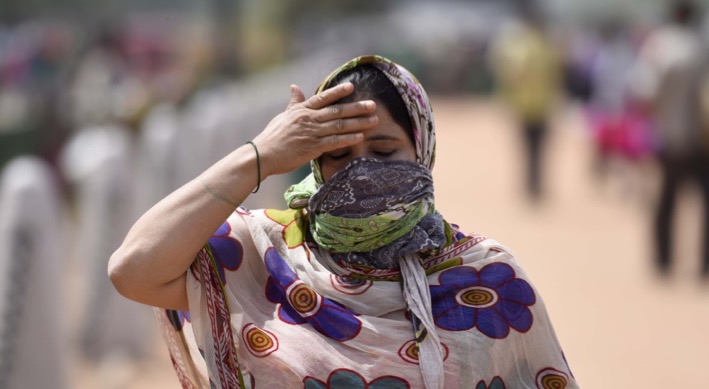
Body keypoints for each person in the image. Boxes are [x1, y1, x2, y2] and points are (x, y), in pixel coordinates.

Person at [109, 55, 577, 388]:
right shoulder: (263, 256)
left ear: (422, 150)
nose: (362, 171)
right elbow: (132, 269)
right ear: (313, 161)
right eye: (338, 154)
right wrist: (260, 156)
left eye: (384, 151)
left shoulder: (488, 280)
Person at [629, 0, 709, 277]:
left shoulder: (659, 45)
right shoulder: (699, 45)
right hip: (700, 136)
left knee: (666, 198)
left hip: (668, 135)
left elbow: (644, 92)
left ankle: (663, 260)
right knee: (702, 199)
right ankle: (703, 265)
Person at [489, 3, 563, 202]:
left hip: (525, 106)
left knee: (527, 148)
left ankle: (530, 186)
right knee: (539, 149)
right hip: (544, 106)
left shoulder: (521, 46)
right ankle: (536, 185)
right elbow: (557, 76)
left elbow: (511, 73)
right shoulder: (549, 46)